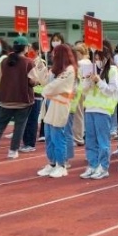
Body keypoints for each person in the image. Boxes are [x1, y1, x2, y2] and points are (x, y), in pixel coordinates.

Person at [34, 44, 77, 178]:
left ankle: (61, 165)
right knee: (49, 136)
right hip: (49, 104)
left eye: (55, 53)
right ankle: (52, 163)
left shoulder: (70, 70)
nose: (52, 54)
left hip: (59, 105)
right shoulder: (55, 69)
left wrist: (46, 91)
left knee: (58, 136)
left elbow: (56, 86)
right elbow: (45, 81)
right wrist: (39, 65)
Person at [80, 44, 118, 179]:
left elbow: (111, 90)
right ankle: (92, 165)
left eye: (99, 57)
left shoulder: (112, 70)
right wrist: (87, 80)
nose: (97, 60)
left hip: (103, 109)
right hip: (90, 108)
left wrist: (99, 81)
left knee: (102, 140)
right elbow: (83, 90)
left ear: (107, 57)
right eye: (95, 58)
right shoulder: (92, 69)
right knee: (90, 139)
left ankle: (103, 167)